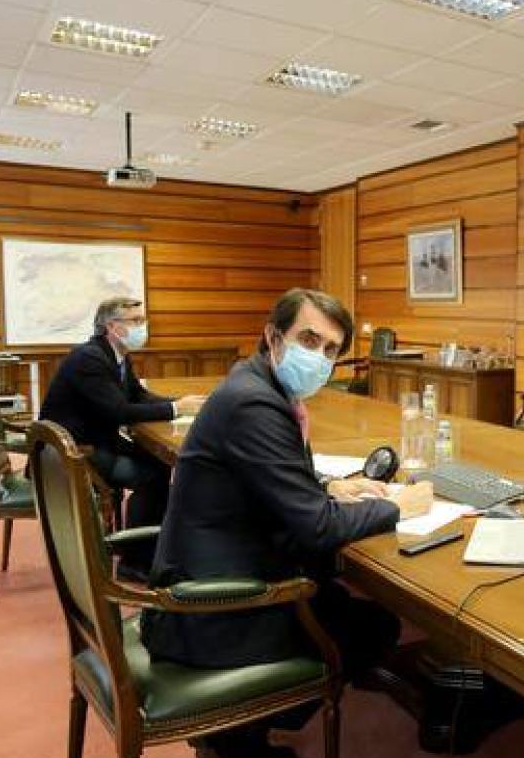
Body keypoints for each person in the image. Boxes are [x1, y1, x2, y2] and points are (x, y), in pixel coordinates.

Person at [142, 288, 432, 758]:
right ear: (273, 337)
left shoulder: (253, 384)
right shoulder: (255, 404)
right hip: (216, 611)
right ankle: (239, 730)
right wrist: (402, 507)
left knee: (340, 601)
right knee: (374, 625)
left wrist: (325, 486)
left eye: (331, 350)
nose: (319, 357)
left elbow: (262, 474)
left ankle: (238, 730)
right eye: (309, 340)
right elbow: (318, 528)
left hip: (204, 582)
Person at [38, 296, 203, 579]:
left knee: (159, 463)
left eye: (143, 320)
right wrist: (175, 409)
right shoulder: (90, 359)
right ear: (113, 327)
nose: (143, 326)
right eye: (136, 321)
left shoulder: (115, 354)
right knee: (152, 474)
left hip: (94, 438)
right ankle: (133, 562)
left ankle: (152, 549)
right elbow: (119, 411)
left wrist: (181, 405)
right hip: (74, 451)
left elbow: (137, 395)